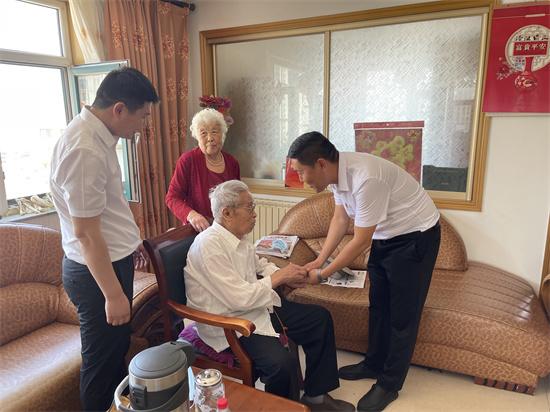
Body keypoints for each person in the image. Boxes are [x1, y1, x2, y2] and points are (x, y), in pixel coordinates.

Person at [288, 131, 441, 412]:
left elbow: (359, 241)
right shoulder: (336, 174)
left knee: (402, 316)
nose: (300, 179)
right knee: (379, 305)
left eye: (301, 172)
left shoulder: (366, 178)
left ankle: (389, 383)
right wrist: (319, 260)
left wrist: (323, 274)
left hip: (415, 237)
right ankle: (373, 363)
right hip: (386, 235)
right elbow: (340, 218)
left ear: (320, 164)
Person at [184, 180, 354, 412]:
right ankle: (282, 408)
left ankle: (316, 396)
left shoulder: (237, 236)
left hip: (254, 306)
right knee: (281, 364)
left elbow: (260, 265)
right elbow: (238, 298)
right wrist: (279, 277)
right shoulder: (208, 246)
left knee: (319, 319)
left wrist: (287, 276)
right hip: (229, 322)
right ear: (227, 213)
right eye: (249, 208)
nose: (254, 214)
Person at [49, 67, 159, 410]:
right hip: (96, 275)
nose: (142, 126)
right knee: (102, 365)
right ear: (119, 109)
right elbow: (85, 233)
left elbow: (105, 209)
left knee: (115, 354)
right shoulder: (85, 149)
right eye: (142, 116)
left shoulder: (98, 137)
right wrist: (113, 295)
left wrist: (130, 241)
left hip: (109, 262)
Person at [165, 108, 240, 231]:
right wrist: (192, 215)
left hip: (227, 229)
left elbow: (238, 198)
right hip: (199, 231)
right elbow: (172, 197)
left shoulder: (232, 163)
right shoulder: (188, 160)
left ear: (222, 134)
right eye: (204, 133)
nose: (210, 138)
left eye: (214, 131)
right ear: (197, 137)